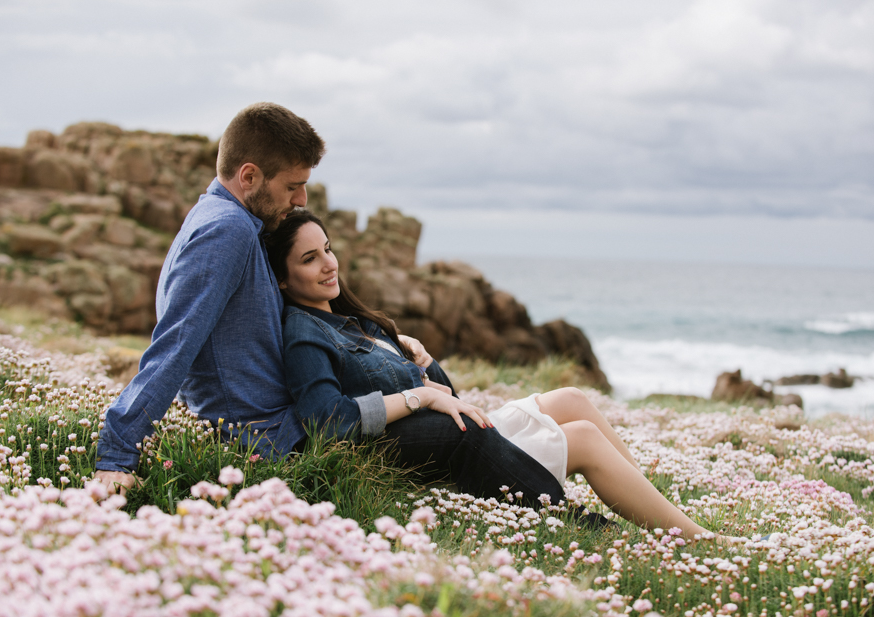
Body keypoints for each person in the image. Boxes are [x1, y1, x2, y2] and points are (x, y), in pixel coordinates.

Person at [92, 102, 574, 517]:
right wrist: (117, 454)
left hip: (288, 426)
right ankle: (577, 522)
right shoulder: (228, 231)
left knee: (455, 419)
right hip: (276, 445)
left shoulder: (222, 219)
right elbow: (176, 343)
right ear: (249, 176)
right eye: (292, 187)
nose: (301, 200)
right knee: (462, 431)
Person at [271, 210, 721, 542]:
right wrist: (419, 398)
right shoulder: (304, 333)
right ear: (285, 280)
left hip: (458, 427)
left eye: (328, 249)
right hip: (438, 455)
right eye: (310, 259)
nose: (328, 264)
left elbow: (444, 391)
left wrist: (417, 358)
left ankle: (657, 509)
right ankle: (696, 538)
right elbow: (326, 422)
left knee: (574, 400)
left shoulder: (354, 322)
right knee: (580, 435)